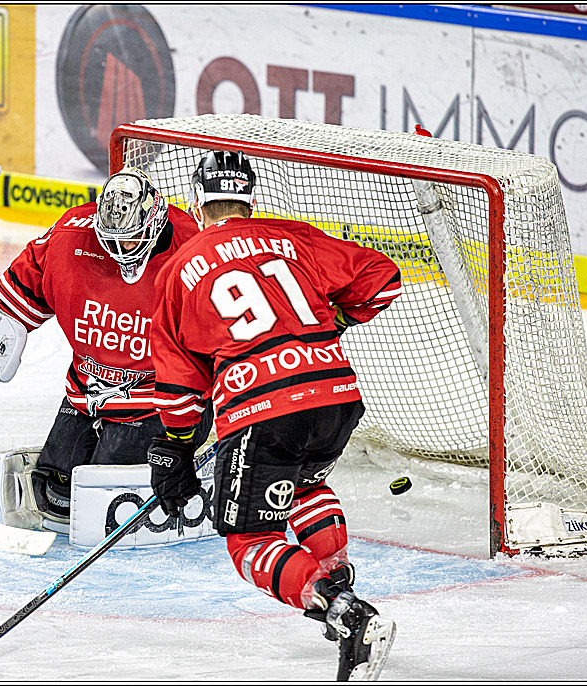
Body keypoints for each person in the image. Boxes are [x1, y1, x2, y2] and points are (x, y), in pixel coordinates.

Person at [146, 150, 403, 680]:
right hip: (335, 396)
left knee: (248, 541)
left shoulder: (179, 269)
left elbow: (179, 380)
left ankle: (345, 612)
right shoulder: (292, 237)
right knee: (305, 485)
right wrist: (330, 322)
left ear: (196, 202)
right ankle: (336, 580)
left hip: (263, 410)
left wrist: (175, 446)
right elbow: (382, 278)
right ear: (249, 198)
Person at [0, 167, 212, 532]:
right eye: (112, 240)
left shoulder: (193, 251)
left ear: (154, 222)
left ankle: (200, 441)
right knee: (56, 496)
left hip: (158, 402)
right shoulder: (70, 237)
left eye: (132, 239)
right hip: (86, 394)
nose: (121, 250)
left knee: (99, 501)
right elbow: (13, 298)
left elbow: (222, 343)